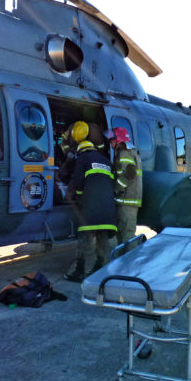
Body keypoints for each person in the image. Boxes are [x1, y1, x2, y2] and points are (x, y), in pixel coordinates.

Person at [64, 121, 117, 283]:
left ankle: (79, 271)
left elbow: (79, 183)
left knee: (84, 241)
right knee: (103, 240)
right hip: (108, 210)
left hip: (90, 210)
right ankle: (101, 270)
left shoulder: (82, 159)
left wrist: (80, 197)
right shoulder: (106, 161)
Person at [105, 127, 143, 246]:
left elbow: (129, 174)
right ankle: (123, 260)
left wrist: (115, 189)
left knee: (127, 236)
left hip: (126, 202)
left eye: (112, 140)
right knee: (122, 234)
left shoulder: (124, 153)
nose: (110, 143)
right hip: (127, 201)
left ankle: (129, 262)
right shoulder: (130, 152)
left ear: (118, 140)